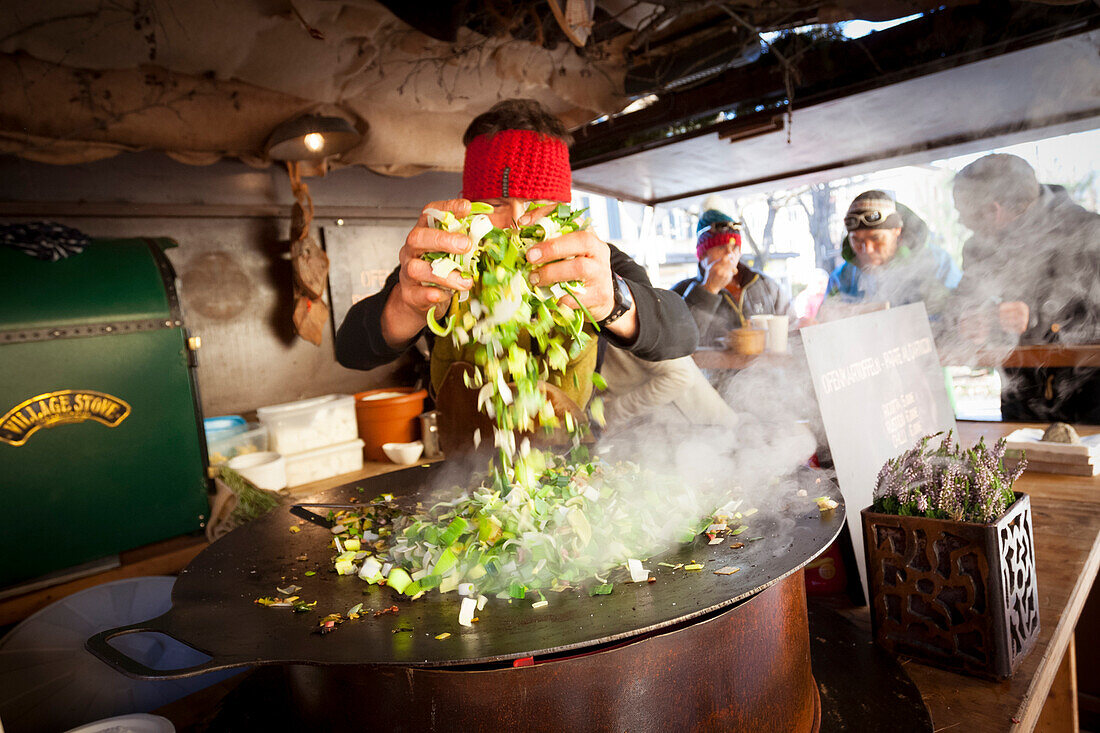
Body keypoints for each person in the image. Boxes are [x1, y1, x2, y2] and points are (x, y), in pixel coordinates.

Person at [335, 98, 699, 454]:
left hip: (567, 458)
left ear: (563, 208)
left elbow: (681, 333)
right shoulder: (444, 264)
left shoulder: (591, 262)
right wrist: (404, 307)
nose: (516, 221)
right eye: (494, 205)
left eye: (540, 205)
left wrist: (616, 301)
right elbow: (350, 349)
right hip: (464, 462)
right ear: (468, 205)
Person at [952, 153, 1100, 423]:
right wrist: (969, 317)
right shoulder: (977, 248)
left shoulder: (1091, 233)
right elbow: (962, 301)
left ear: (993, 209)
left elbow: (1093, 318)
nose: (963, 223)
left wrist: (1038, 317)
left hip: (1089, 400)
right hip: (1019, 398)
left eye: (965, 213)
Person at [826, 190, 961, 318]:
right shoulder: (841, 279)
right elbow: (825, 320)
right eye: (856, 240)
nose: (867, 249)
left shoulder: (936, 263)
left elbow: (960, 312)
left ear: (897, 231)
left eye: (875, 238)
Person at [672, 209, 790, 347]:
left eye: (734, 247)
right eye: (721, 247)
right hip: (710, 368)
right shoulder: (680, 292)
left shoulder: (764, 284)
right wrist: (709, 289)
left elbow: (790, 325)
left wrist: (803, 324)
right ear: (702, 255)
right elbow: (677, 342)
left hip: (766, 367)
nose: (729, 254)